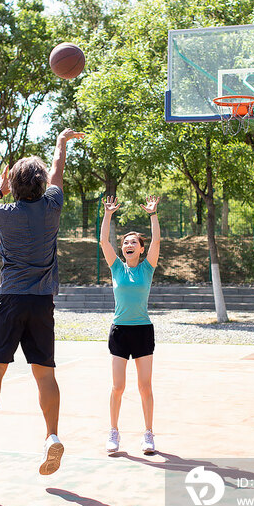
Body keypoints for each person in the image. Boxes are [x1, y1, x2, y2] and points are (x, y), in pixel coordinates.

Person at [0, 128, 84, 477]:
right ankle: (50, 437)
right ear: (42, 183)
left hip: (10, 301)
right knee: (45, 374)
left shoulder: (5, 212)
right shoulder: (52, 207)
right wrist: (61, 144)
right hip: (41, 304)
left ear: (15, 186)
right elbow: (58, 168)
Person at [100, 194, 160, 455]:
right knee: (118, 387)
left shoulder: (147, 268)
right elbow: (103, 240)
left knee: (145, 386)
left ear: (141, 248)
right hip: (120, 331)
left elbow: (157, 239)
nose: (128, 244)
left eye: (133, 242)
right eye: (125, 242)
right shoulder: (116, 268)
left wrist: (153, 214)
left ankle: (148, 434)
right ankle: (113, 432)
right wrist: (108, 214)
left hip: (142, 331)